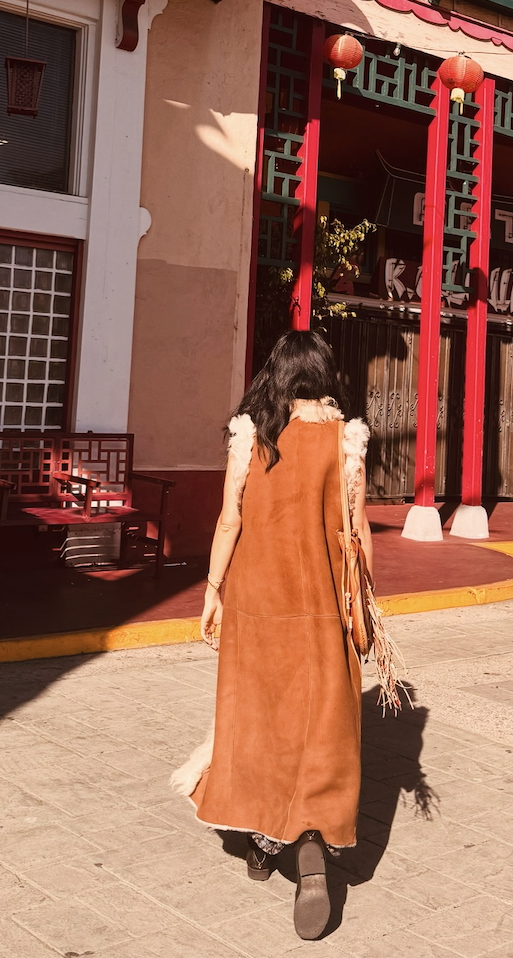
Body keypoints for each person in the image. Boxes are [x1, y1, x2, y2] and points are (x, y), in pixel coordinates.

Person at [170, 331, 372, 941]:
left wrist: (212, 588)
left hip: (257, 604)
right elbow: (356, 530)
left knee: (257, 718)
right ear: (325, 376)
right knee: (318, 723)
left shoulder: (249, 436)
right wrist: (367, 608)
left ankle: (260, 843)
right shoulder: (347, 439)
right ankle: (311, 846)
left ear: (276, 376)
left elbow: (230, 516)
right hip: (322, 605)